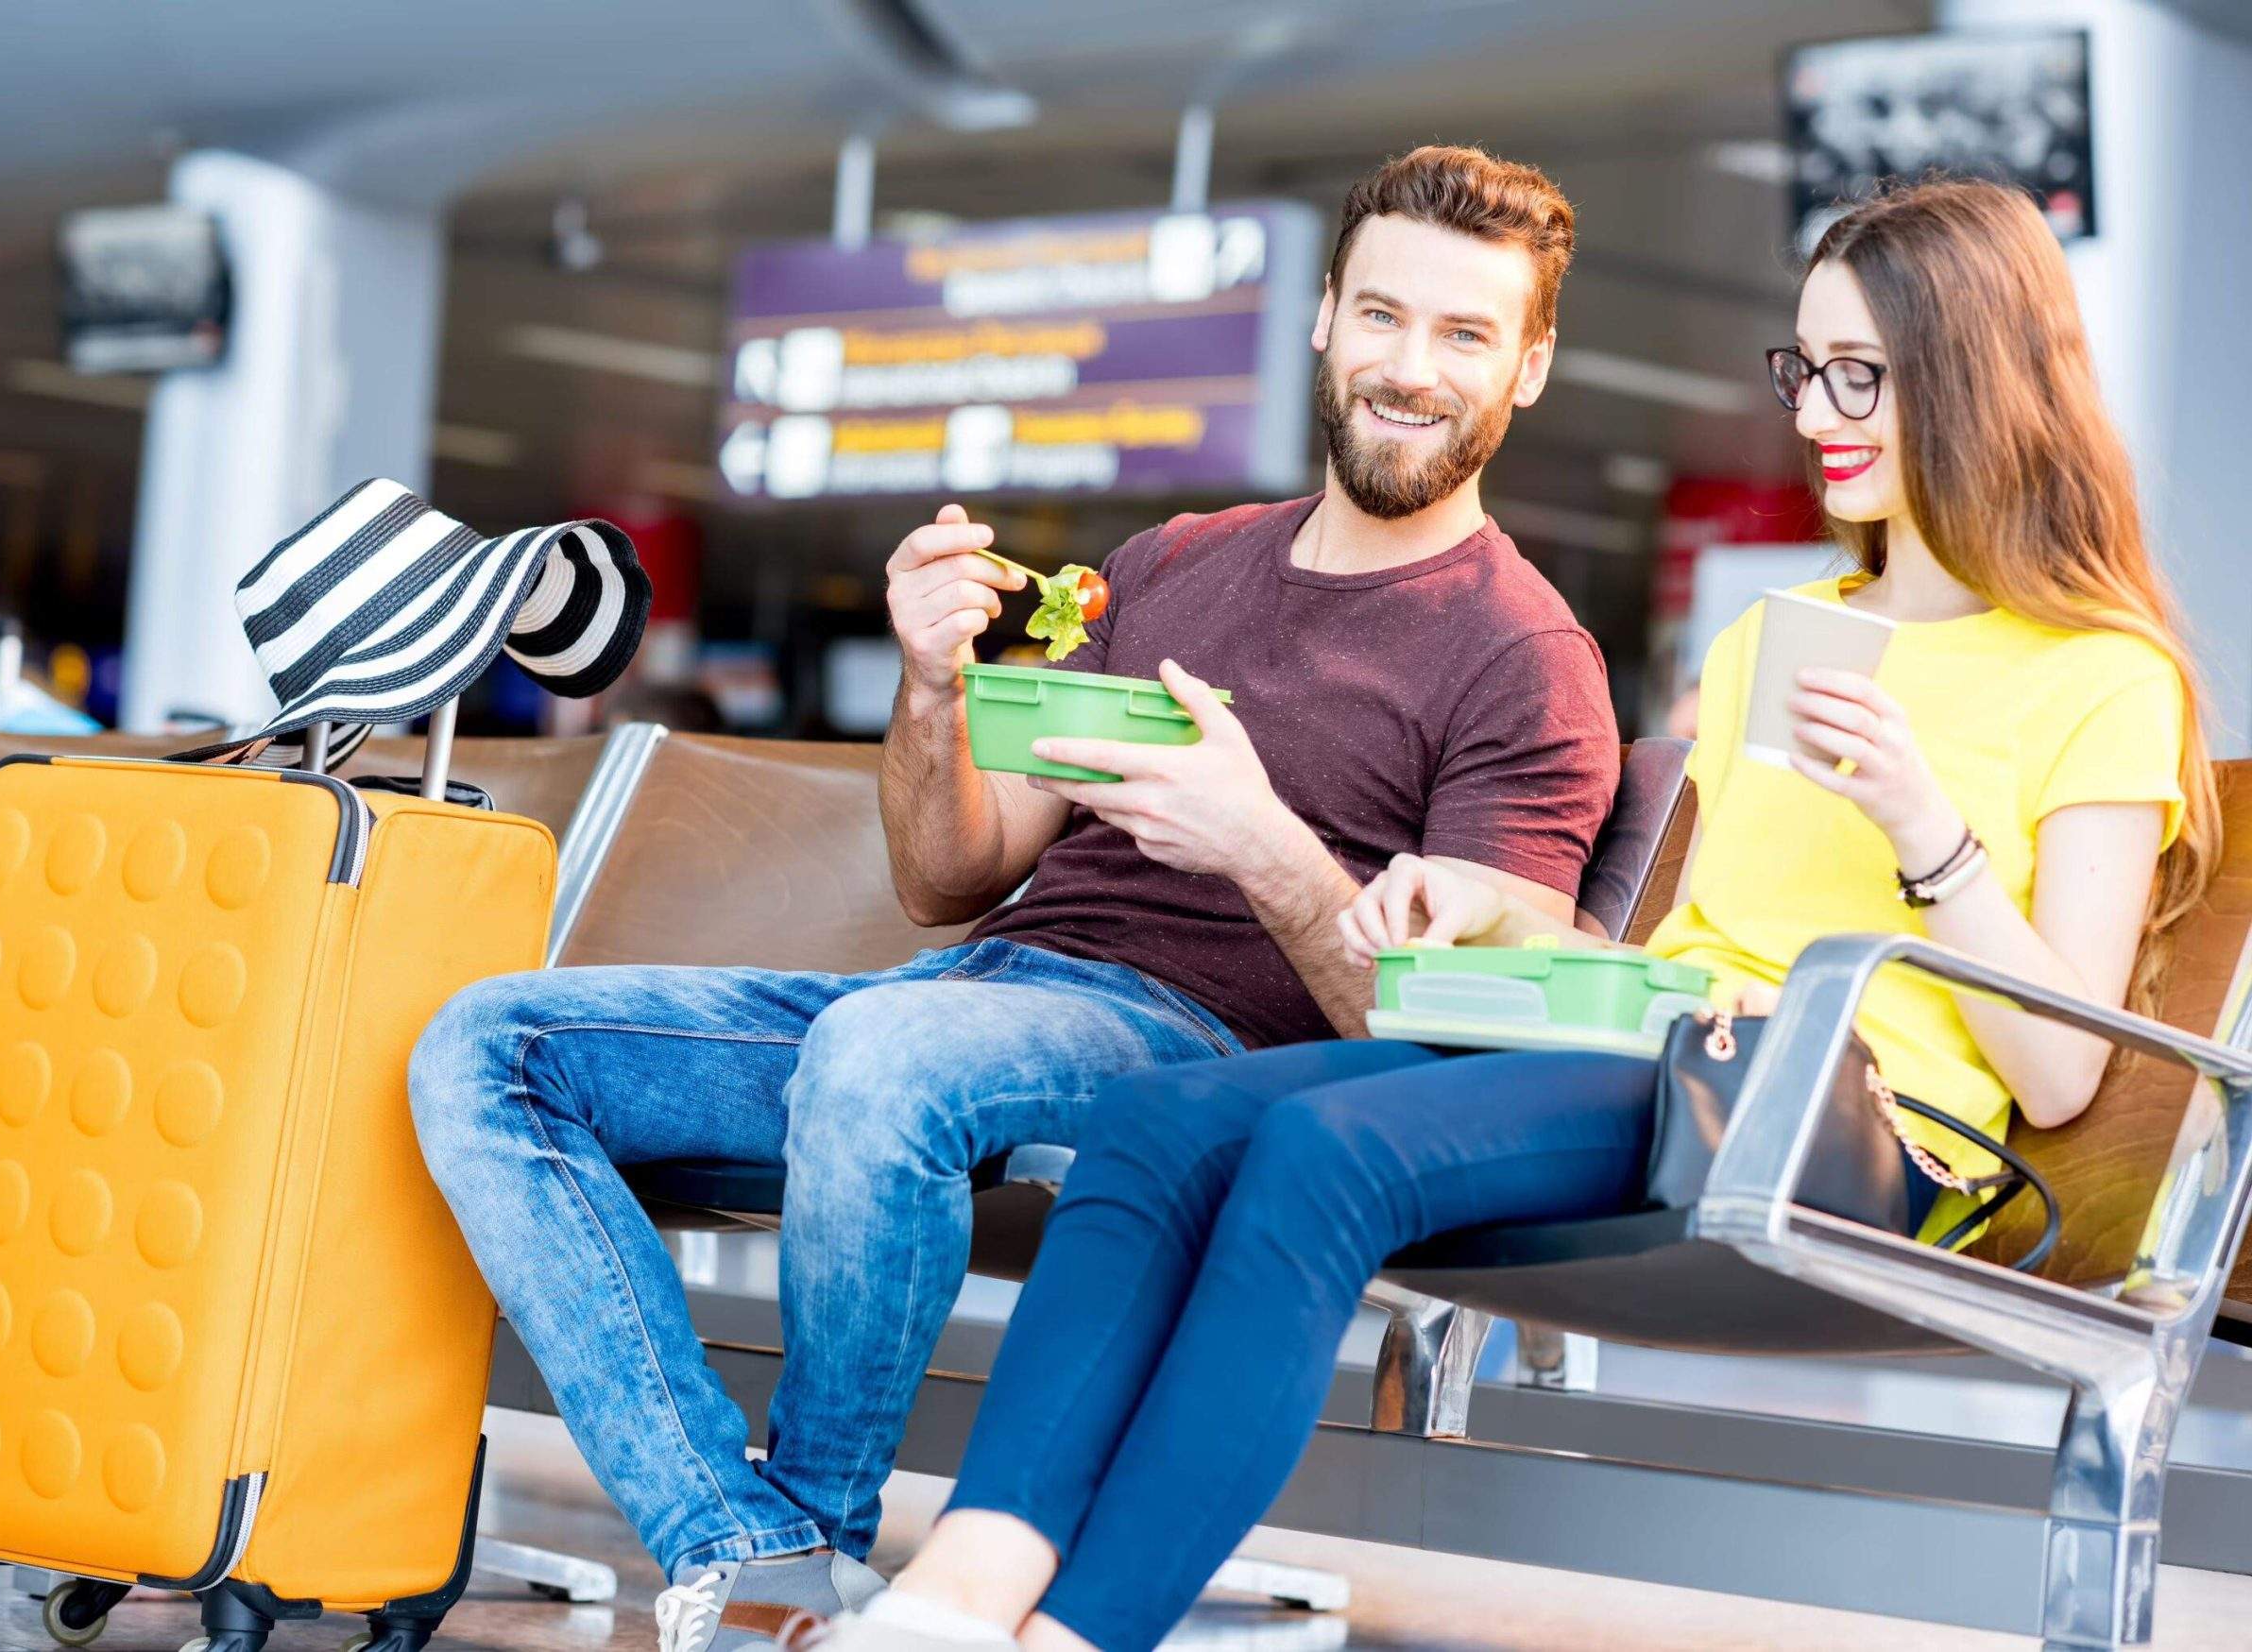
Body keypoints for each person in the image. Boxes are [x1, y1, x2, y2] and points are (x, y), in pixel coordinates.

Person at [805, 176, 2218, 1652]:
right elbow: (1682, 956)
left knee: (1318, 1152)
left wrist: (1928, 830)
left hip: (1857, 1127)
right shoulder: (1777, 638)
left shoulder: (2101, 676)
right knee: (1168, 1120)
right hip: (1673, 1057)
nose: (1816, 413)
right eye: (1805, 368)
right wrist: (1488, 911)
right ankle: (956, 1592)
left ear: (1974, 374)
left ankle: (1076, 1632)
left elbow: (2060, 1068)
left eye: (1860, 372)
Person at [407, 145, 1620, 1650]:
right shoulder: (1172, 563)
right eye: (1383, 317)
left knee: (881, 1060)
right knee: (487, 1045)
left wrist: (1263, 840)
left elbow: (1462, 1041)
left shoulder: (1526, 659)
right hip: (970, 997)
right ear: (1322, 320)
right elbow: (948, 874)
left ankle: (817, 1534)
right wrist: (934, 686)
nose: (1410, 368)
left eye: (1465, 335)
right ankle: (753, 1541)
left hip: (1206, 1065)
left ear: (1532, 365)